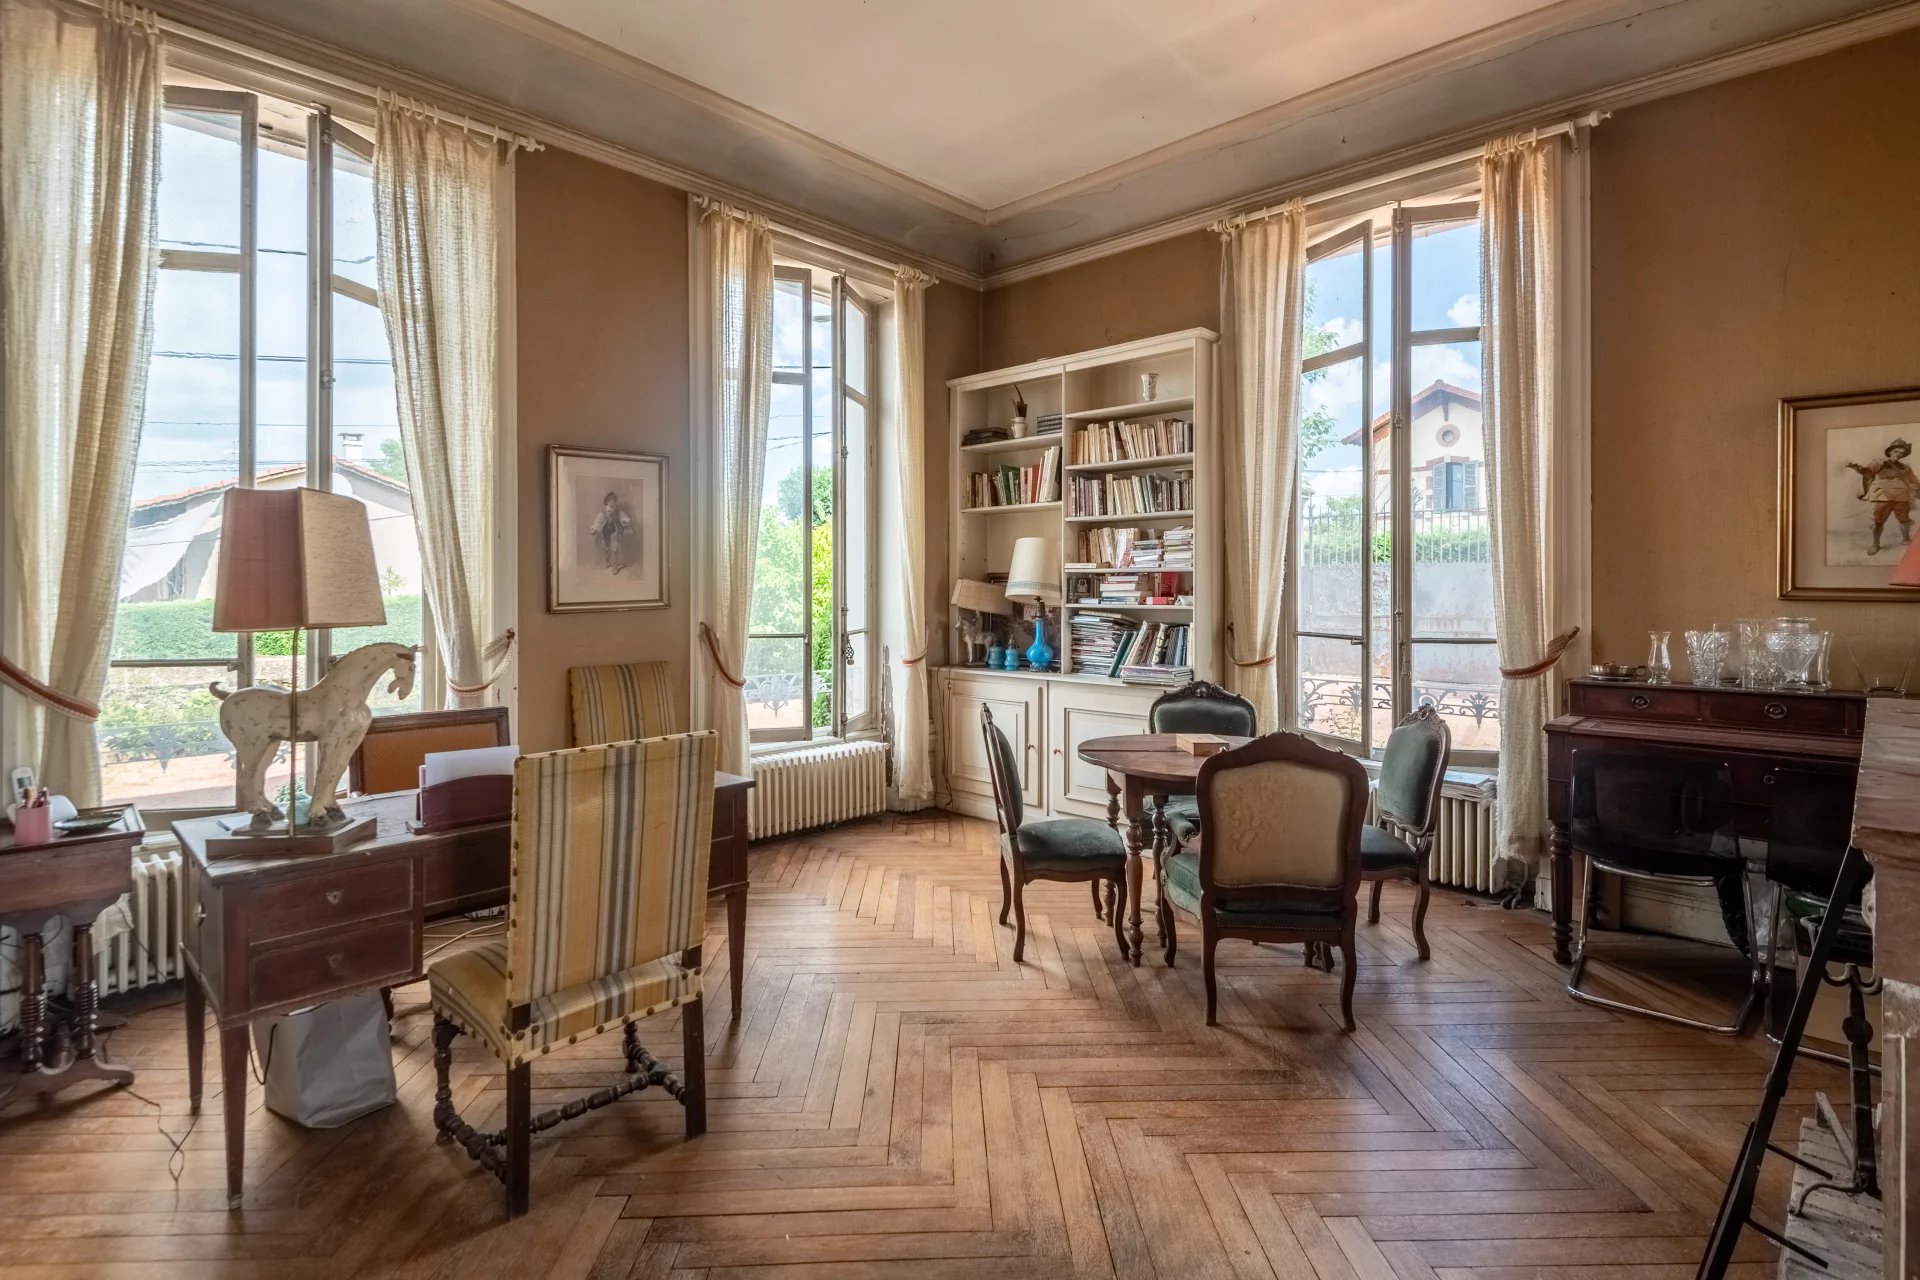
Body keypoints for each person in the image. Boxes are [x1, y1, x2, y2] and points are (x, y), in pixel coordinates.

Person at [1846, 438, 1917, 555]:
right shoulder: (1880, 463)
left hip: (1902, 498)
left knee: (1904, 520)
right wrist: (1858, 468)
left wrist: (1916, 491)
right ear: (1890, 452)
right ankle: (1875, 544)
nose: (1899, 454)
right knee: (1878, 522)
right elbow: (1868, 471)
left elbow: (1914, 481)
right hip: (1882, 497)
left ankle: (1906, 539)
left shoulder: (1906, 467)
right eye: (1896, 451)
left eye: (1901, 453)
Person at [589, 490, 635, 574]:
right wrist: (594, 529)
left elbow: (624, 517)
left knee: (614, 549)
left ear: (615, 502)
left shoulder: (618, 511)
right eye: (609, 500)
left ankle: (615, 567)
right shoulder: (603, 513)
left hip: (614, 531)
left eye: (613, 500)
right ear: (605, 502)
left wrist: (625, 521)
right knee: (605, 548)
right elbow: (598, 521)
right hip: (605, 531)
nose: (611, 502)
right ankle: (607, 562)